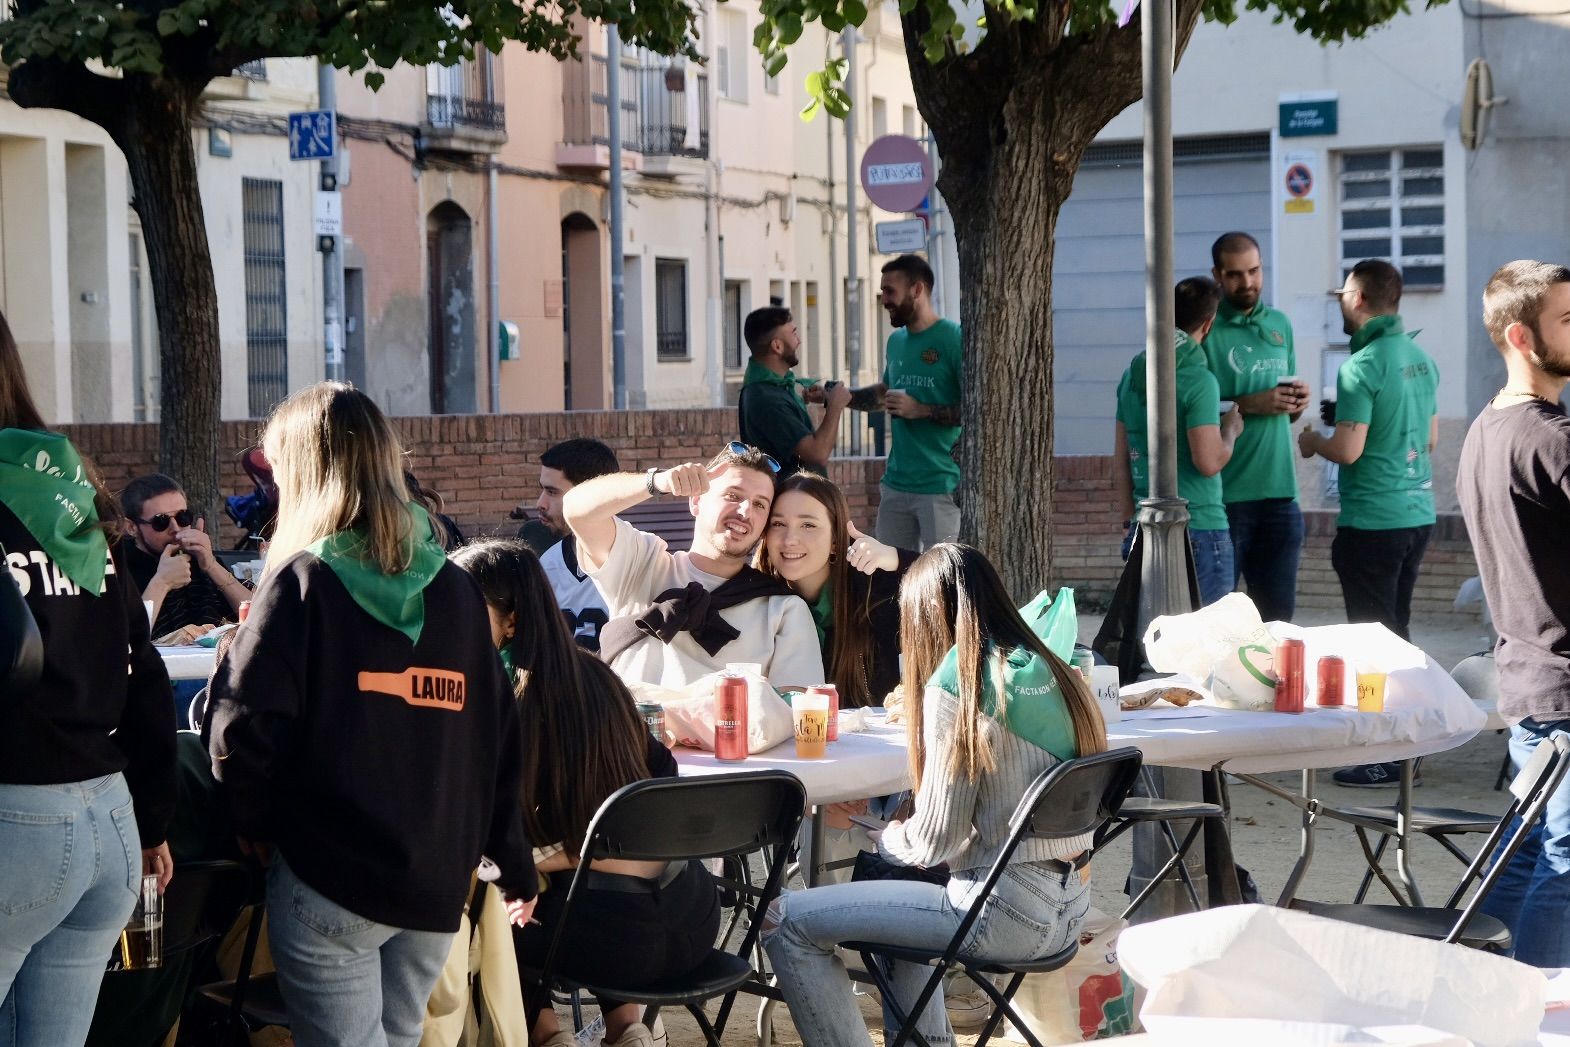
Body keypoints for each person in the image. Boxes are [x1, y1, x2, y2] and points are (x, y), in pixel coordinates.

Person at [206, 382, 537, 1047]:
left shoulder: (302, 581)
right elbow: (496, 739)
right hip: (435, 882)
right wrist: (509, 857)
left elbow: (240, 726)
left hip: (330, 873)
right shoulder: (456, 589)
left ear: (301, 474)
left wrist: (255, 823)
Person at [763, 544, 1107, 1047]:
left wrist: (888, 836)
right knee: (899, 908)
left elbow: (933, 844)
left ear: (923, 617)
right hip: (1069, 907)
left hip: (996, 910)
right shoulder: (1058, 670)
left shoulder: (959, 682)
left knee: (784, 919)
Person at [451, 540, 719, 1047]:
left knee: (494, 902)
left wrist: (553, 859)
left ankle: (548, 1035)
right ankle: (628, 1028)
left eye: (459, 606)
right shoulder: (600, 675)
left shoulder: (493, 699)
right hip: (694, 919)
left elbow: (482, 842)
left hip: (603, 940)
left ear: (509, 622)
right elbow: (661, 795)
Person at [0, 308, 178, 1047]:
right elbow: (143, 670)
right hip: (107, 819)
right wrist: (154, 821)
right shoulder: (80, 498)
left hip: (19, 818)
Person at [1458, 260, 1570, 964]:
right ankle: (1537, 1017)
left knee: (1527, 856)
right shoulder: (1551, 437)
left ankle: (1467, 983)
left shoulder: (1485, 430)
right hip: (1559, 689)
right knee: (1563, 864)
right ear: (1524, 336)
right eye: (1568, 320)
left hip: (1527, 686)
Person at [564, 441, 825, 690]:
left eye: (760, 504)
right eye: (733, 495)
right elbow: (576, 509)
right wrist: (656, 482)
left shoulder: (782, 610)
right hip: (629, 734)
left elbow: (796, 712)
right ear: (696, 501)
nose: (745, 512)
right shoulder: (641, 563)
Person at [1300, 260, 1439, 641]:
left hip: (1373, 522)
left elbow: (1347, 451)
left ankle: (1386, 702)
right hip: (1419, 516)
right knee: (1397, 629)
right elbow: (1429, 440)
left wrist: (1312, 442)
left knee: (1373, 643)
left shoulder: (1358, 367)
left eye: (1343, 296)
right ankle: (1410, 700)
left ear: (1358, 298)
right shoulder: (1422, 359)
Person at [1114, 276, 1244, 606]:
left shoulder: (1132, 376)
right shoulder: (1200, 380)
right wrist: (1229, 431)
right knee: (1207, 644)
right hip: (1200, 525)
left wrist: (1130, 520)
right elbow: (1208, 461)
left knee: (1153, 640)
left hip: (1144, 526)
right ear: (1209, 323)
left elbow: (1120, 460)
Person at [1202, 232, 1310, 622]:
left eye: (1254, 271)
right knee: (1219, 624)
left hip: (1281, 495)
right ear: (1216, 274)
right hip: (1227, 498)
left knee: (1278, 625)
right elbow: (1190, 410)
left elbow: (1289, 416)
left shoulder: (1280, 324)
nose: (1247, 282)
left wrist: (1295, 403)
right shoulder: (1207, 328)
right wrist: (1251, 403)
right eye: (1235, 274)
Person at [756, 471, 914, 708]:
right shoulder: (756, 599)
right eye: (778, 523)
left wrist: (897, 559)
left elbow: (968, 582)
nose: (790, 539)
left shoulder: (877, 590)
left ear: (835, 541)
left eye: (808, 525)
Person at [847, 254, 963, 551]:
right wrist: (839, 397)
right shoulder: (896, 341)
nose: (884, 299)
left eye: (890, 291)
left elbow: (977, 411)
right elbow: (883, 393)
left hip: (941, 485)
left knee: (945, 579)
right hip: (896, 483)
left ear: (917, 290)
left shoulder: (953, 339)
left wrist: (920, 410)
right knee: (891, 581)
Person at [122, 472, 250, 641]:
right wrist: (162, 582)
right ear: (132, 527)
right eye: (161, 521)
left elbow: (259, 616)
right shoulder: (118, 566)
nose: (175, 528)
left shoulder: (196, 556)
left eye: (183, 517)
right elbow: (124, 640)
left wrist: (212, 566)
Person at [738, 306, 853, 476]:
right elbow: (817, 453)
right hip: (793, 499)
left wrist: (798, 401)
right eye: (793, 333)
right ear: (777, 346)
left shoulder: (770, 387)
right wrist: (835, 406)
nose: (798, 341)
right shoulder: (768, 399)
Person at [534, 438, 621, 651]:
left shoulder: (639, 557)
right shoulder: (549, 563)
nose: (540, 503)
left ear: (590, 496)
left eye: (553, 492)